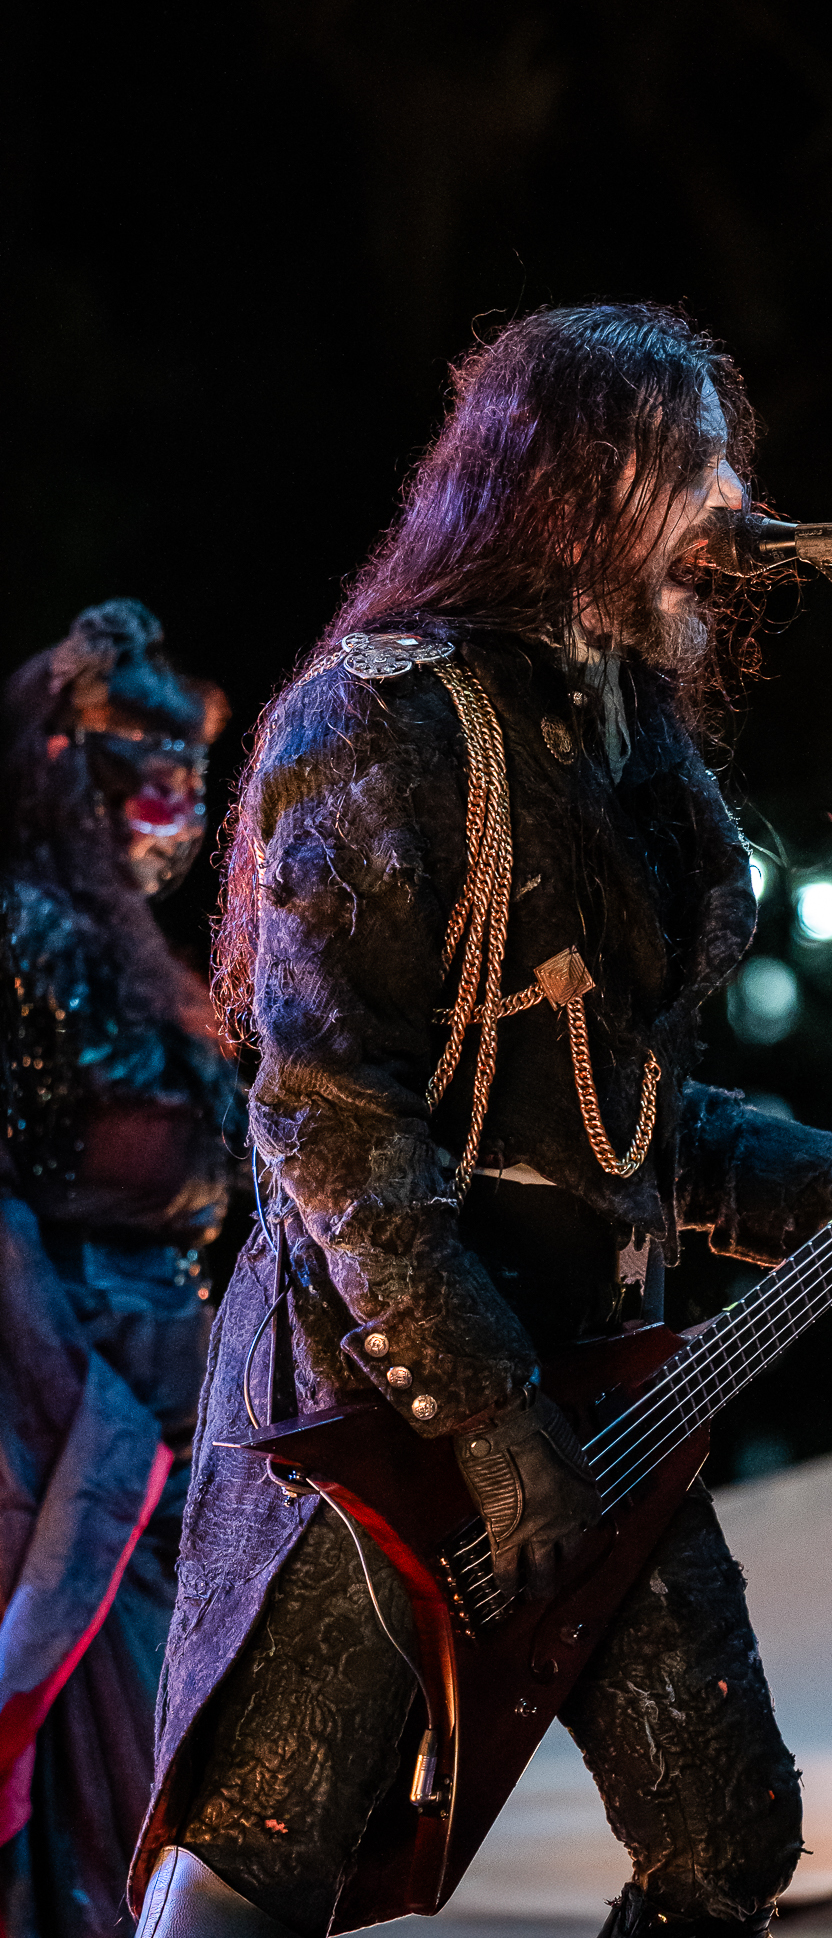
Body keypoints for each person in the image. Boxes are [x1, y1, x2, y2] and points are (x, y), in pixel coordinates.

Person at [130, 304, 832, 1938]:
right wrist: (484, 1412)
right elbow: (329, 1110)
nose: (731, 501)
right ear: (567, 483)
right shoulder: (379, 718)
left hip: (599, 1397)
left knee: (726, 1843)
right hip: (375, 1400)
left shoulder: (627, 749)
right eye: (688, 462)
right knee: (267, 1846)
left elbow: (623, 1128)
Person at [0, 601, 243, 1938]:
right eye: (155, 766)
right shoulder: (30, 931)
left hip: (172, 1381)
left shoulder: (129, 951)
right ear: (73, 764)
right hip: (72, 1392)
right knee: (103, 1759)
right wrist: (72, 1399)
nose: (182, 804)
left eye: (192, 769)